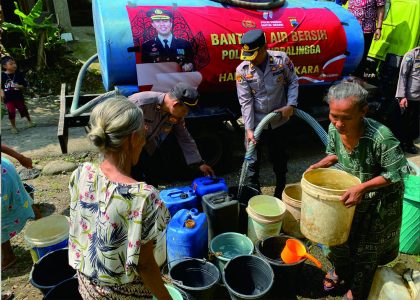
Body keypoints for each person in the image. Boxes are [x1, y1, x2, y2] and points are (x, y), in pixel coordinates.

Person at [307, 81, 409, 300]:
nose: (339, 123)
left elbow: (398, 172)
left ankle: (357, 290)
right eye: (334, 116)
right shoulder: (334, 128)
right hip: (351, 195)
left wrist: (362, 187)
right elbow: (335, 153)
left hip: (380, 201)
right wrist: (321, 164)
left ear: (363, 111)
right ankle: (341, 270)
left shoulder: (381, 137)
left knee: (366, 250)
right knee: (339, 238)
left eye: (346, 117)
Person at [68, 96, 171, 299]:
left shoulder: (81, 172)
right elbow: (146, 266)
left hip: (86, 285)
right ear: (133, 139)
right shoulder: (143, 198)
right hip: (121, 294)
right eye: (144, 131)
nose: (145, 137)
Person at [235, 29, 299, 198]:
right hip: (256, 125)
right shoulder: (242, 70)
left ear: (264, 48)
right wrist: (248, 129)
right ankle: (254, 197)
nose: (250, 59)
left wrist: (291, 104)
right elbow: (246, 101)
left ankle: (280, 191)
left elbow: (293, 81)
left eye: (254, 54)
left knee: (279, 159)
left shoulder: (281, 60)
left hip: (279, 121)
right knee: (252, 163)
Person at [128, 82, 214, 185]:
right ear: (175, 104)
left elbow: (184, 136)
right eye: (185, 111)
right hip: (129, 148)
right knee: (132, 181)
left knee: (154, 177)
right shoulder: (139, 103)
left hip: (148, 145)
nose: (186, 114)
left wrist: (198, 163)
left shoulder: (176, 114)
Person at [1, 144, 41, 271]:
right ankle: (46, 227)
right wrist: (21, 158)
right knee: (23, 199)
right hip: (5, 169)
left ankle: (8, 256)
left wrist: (21, 157)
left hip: (2, 177)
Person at [342, 0, 385, 78]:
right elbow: (342, 2)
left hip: (367, 29)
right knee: (346, 52)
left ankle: (357, 80)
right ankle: (343, 76)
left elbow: (381, 7)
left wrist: (379, 27)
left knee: (361, 56)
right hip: (351, 27)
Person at [1, 56, 35, 133]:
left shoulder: (18, 74)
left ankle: (30, 121)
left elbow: (24, 85)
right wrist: (2, 94)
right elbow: (1, 87)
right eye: (11, 64)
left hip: (18, 97)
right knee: (11, 111)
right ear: (5, 66)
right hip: (8, 99)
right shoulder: (2, 76)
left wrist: (18, 86)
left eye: (14, 63)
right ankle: (13, 127)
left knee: (23, 109)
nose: (14, 65)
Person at [395, 46, 420, 154]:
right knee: (404, 122)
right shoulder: (411, 55)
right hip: (410, 97)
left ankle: (409, 143)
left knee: (415, 123)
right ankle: (400, 144)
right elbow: (403, 76)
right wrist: (402, 96)